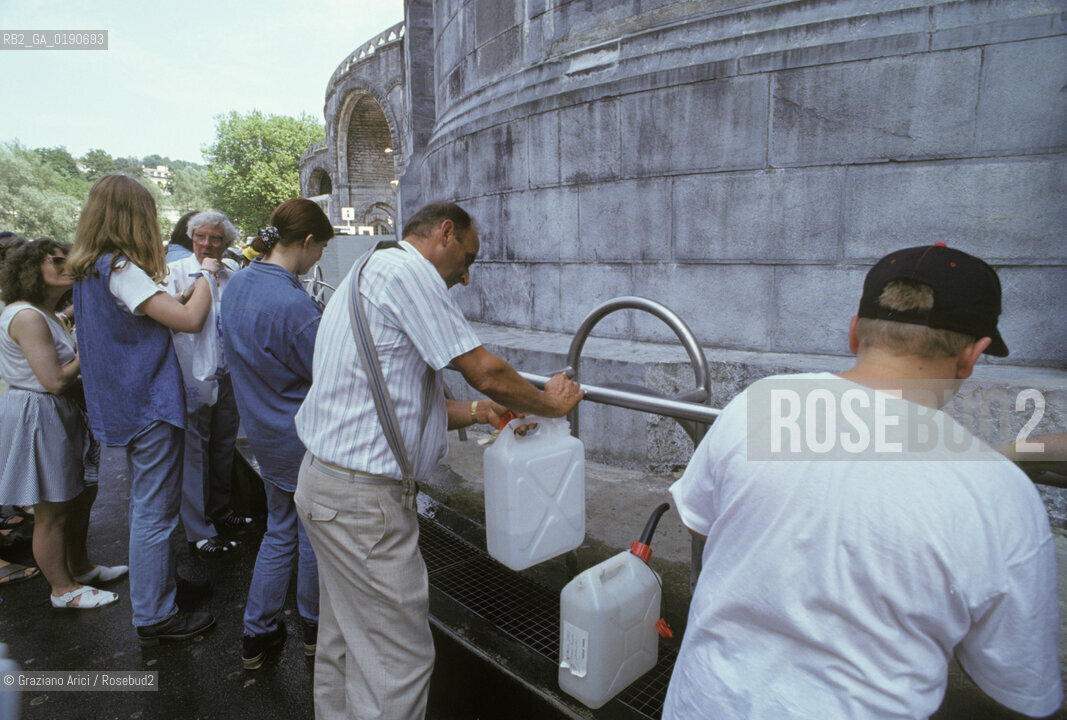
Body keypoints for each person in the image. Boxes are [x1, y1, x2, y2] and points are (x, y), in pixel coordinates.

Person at [663, 244, 1062, 719]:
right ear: (971, 356)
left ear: (855, 332)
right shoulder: (1001, 495)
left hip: (699, 704)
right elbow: (1019, 683)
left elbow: (699, 524)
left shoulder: (759, 401)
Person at [293, 201, 584, 719]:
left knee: (346, 642)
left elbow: (390, 402)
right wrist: (551, 403)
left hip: (326, 487)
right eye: (467, 258)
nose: (466, 277)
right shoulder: (408, 273)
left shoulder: (366, 271)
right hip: (363, 508)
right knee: (397, 663)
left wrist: (477, 412)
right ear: (444, 233)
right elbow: (486, 371)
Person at [69, 174, 218, 644]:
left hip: (121, 401)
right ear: (135, 217)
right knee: (155, 511)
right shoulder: (121, 268)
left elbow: (141, 317)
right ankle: (155, 615)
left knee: (146, 505)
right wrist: (207, 275)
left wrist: (177, 297)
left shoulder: (90, 269)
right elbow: (190, 321)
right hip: (148, 401)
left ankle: (162, 586)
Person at [220, 198, 332, 670]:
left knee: (279, 530)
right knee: (312, 537)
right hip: (302, 439)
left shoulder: (238, 283)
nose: (320, 257)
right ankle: (315, 630)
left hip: (264, 433)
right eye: (321, 247)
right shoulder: (293, 306)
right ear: (306, 241)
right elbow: (331, 374)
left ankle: (257, 632)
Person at [0, 239, 126, 608]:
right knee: (51, 509)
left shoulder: (46, 313)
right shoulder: (27, 316)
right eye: (55, 260)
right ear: (30, 270)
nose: (66, 265)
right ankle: (62, 590)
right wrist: (88, 348)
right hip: (39, 412)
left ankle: (80, 568)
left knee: (78, 496)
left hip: (56, 411)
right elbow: (53, 380)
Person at [164, 210, 252, 557]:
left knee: (223, 445)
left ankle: (220, 510)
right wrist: (201, 279)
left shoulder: (233, 276)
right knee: (194, 452)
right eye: (200, 236)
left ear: (226, 243)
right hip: (190, 375)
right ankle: (198, 529)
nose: (207, 244)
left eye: (216, 238)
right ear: (191, 238)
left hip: (226, 373)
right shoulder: (173, 273)